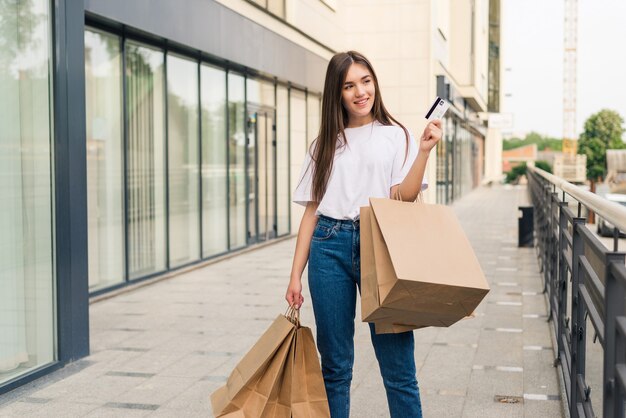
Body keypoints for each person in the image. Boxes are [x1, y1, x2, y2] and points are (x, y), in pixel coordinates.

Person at [286, 50, 442, 418]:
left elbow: (402, 197)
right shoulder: (324, 144)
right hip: (328, 249)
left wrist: (423, 152)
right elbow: (311, 212)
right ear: (336, 93)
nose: (361, 92)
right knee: (335, 367)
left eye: (366, 81)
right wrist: (295, 274)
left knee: (399, 367)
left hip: (381, 244)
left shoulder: (396, 135)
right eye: (349, 85)